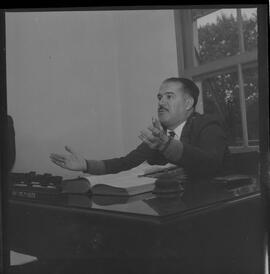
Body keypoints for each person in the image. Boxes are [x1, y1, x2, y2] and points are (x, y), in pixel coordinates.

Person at [50, 77, 230, 178]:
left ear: (188, 102)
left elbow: (211, 163)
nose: (161, 102)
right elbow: (125, 163)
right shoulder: (161, 135)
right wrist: (86, 165)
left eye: (169, 96)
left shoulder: (207, 124)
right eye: (159, 97)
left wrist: (168, 145)